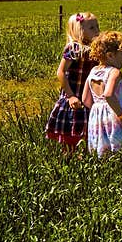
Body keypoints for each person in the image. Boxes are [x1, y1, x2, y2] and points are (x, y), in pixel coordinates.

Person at [82, 30, 122, 157]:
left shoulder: (93, 71)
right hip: (114, 114)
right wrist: (121, 114)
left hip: (97, 117)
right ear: (110, 55)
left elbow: (85, 100)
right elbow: (109, 95)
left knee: (105, 149)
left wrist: (98, 111)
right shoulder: (114, 72)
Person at [44, 12, 101, 151]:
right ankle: (69, 158)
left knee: (89, 131)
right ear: (79, 31)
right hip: (74, 95)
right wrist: (70, 95)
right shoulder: (74, 48)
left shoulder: (96, 49)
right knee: (71, 130)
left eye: (97, 26)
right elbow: (61, 72)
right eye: (92, 28)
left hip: (89, 97)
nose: (97, 30)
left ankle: (85, 158)